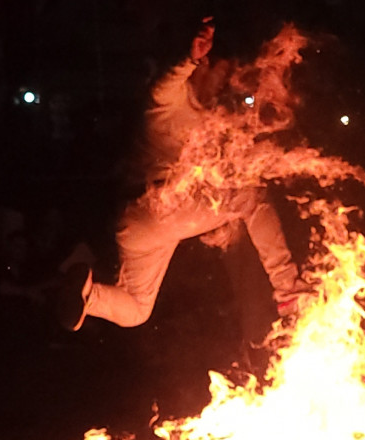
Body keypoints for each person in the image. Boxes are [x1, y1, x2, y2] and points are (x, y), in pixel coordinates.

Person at [56, 18, 306, 331]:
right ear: (201, 67)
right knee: (252, 197)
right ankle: (289, 291)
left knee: (137, 309)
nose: (220, 84)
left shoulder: (208, 118)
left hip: (138, 227)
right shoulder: (167, 101)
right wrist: (188, 57)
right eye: (218, 74)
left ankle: (86, 297)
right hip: (161, 205)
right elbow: (166, 81)